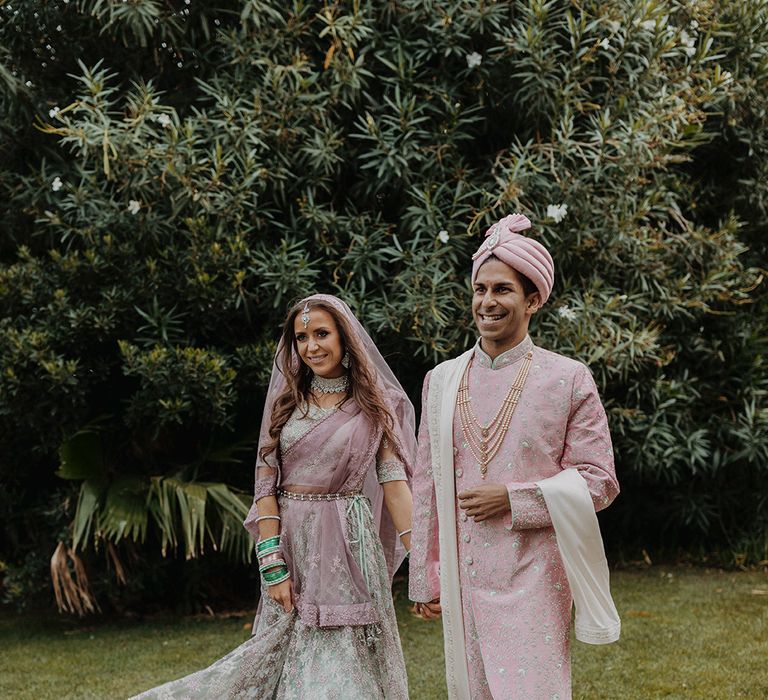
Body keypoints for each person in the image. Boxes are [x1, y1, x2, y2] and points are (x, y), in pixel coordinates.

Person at [132, 293, 415, 700]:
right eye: (301, 338)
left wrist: (424, 565)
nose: (312, 346)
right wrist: (272, 564)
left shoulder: (376, 406)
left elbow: (394, 486)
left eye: (321, 333)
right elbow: (265, 490)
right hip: (292, 544)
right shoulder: (286, 405)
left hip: (349, 548)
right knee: (282, 655)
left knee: (348, 660)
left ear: (345, 337)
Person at [408, 214, 621, 700]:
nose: (487, 301)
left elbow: (599, 481)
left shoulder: (567, 379)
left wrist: (513, 498)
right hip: (465, 573)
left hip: (536, 574)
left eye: (502, 289)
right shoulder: (442, 380)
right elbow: (427, 483)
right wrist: (427, 575)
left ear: (533, 300)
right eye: (480, 288)